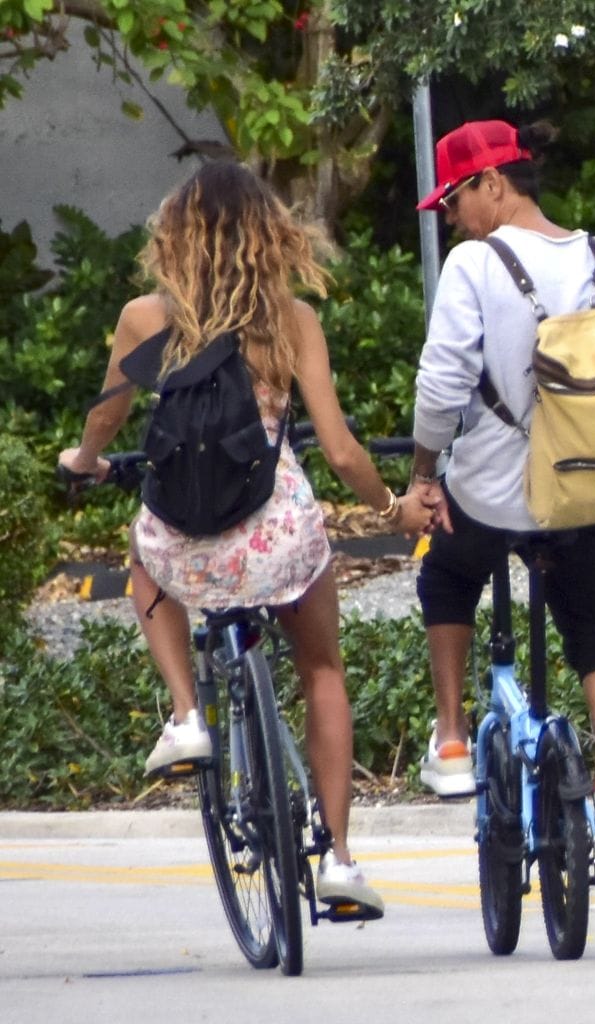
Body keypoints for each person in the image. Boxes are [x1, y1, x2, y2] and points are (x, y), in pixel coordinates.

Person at [58, 160, 433, 914]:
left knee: (144, 560)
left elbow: (105, 416)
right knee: (323, 671)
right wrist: (392, 507)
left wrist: (85, 460)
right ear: (271, 236)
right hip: (276, 531)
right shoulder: (291, 321)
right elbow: (341, 449)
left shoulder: (145, 318)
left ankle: (187, 713)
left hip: (184, 536)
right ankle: (337, 858)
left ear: (176, 238)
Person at [408, 119, 595, 873]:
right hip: (594, 489)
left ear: (491, 184)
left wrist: (420, 475)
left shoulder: (474, 264)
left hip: (498, 490)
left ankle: (450, 738)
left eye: (452, 199)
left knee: (444, 573)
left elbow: (443, 383)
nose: (450, 217)